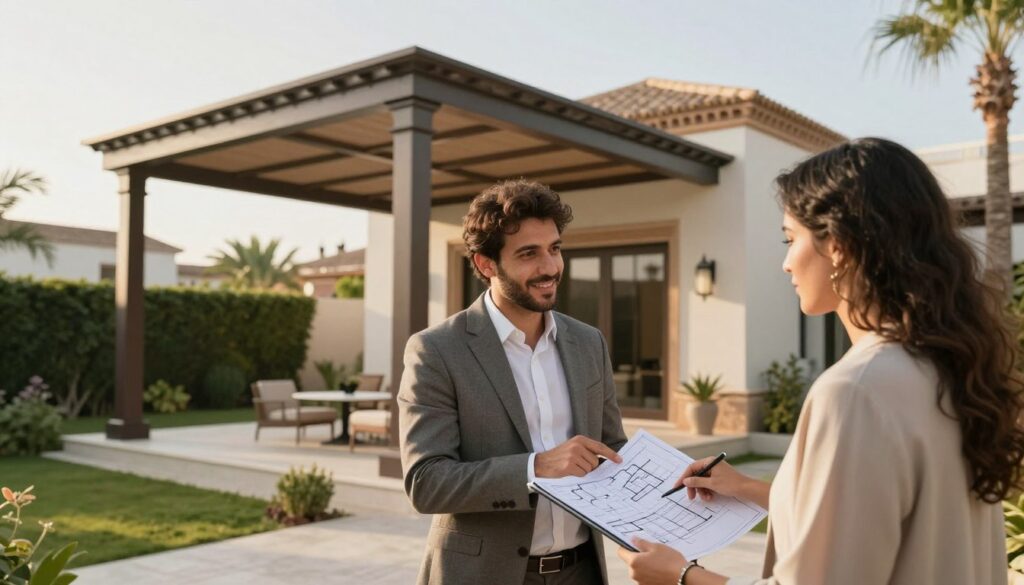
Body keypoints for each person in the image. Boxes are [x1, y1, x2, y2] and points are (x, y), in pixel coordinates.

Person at [618, 137, 1024, 585]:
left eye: (790, 239)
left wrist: (680, 575)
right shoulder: (949, 369)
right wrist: (747, 489)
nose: (787, 263)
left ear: (840, 247)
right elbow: (873, 519)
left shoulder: (857, 390)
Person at [399, 179, 628, 584]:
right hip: (480, 575)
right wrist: (536, 467)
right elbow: (426, 482)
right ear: (486, 265)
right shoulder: (436, 350)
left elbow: (613, 449)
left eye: (554, 249)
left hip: (582, 572)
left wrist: (674, 484)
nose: (550, 267)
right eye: (528, 254)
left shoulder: (588, 342)